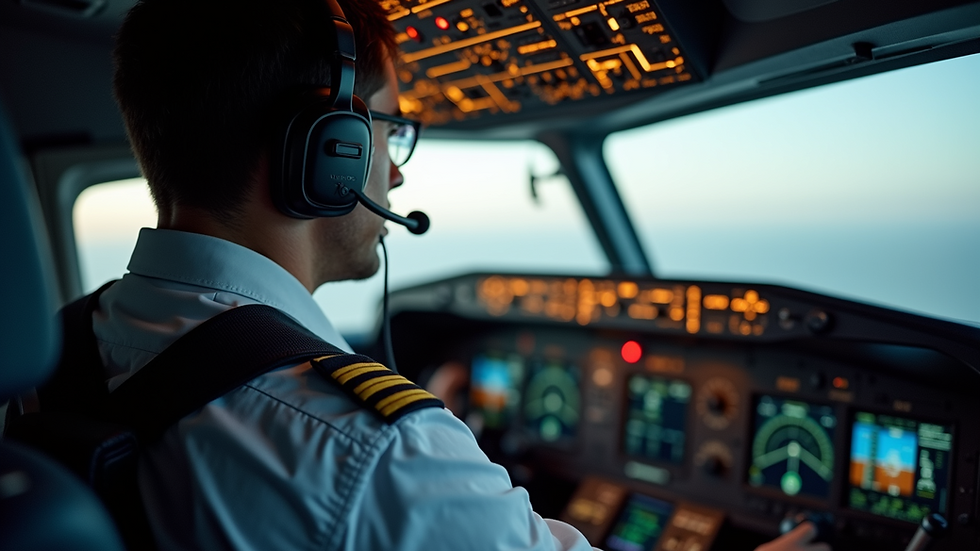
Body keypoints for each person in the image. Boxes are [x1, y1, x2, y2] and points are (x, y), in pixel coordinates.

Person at [103, 0, 832, 549]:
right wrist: (432, 449)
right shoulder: (376, 449)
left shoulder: (74, 339)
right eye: (388, 131)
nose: (391, 170)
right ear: (328, 154)